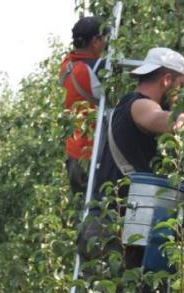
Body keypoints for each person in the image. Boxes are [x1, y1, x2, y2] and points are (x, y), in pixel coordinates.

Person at [78, 47, 184, 267]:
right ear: (167, 80)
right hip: (113, 229)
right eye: (179, 86)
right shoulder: (139, 105)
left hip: (102, 225)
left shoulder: (126, 105)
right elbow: (163, 120)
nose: (179, 94)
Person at [60, 16, 109, 194]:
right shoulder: (94, 68)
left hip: (73, 152)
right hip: (91, 152)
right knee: (100, 206)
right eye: (104, 39)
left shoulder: (67, 65)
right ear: (96, 41)